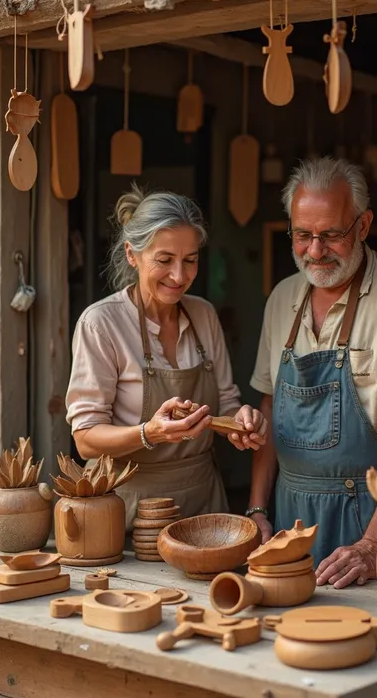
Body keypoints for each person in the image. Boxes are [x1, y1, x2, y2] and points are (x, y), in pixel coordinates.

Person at [247, 157, 377, 588]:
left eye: (331, 234)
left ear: (363, 225)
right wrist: (258, 511)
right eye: (302, 235)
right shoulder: (281, 298)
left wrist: (376, 543)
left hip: (375, 515)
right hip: (290, 519)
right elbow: (268, 406)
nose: (315, 251)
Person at [66, 185, 267, 529]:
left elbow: (227, 402)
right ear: (132, 254)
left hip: (204, 503)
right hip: (129, 509)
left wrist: (240, 422)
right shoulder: (101, 324)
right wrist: (149, 433)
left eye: (190, 261)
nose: (179, 276)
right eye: (164, 260)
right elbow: (85, 440)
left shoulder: (204, 315)